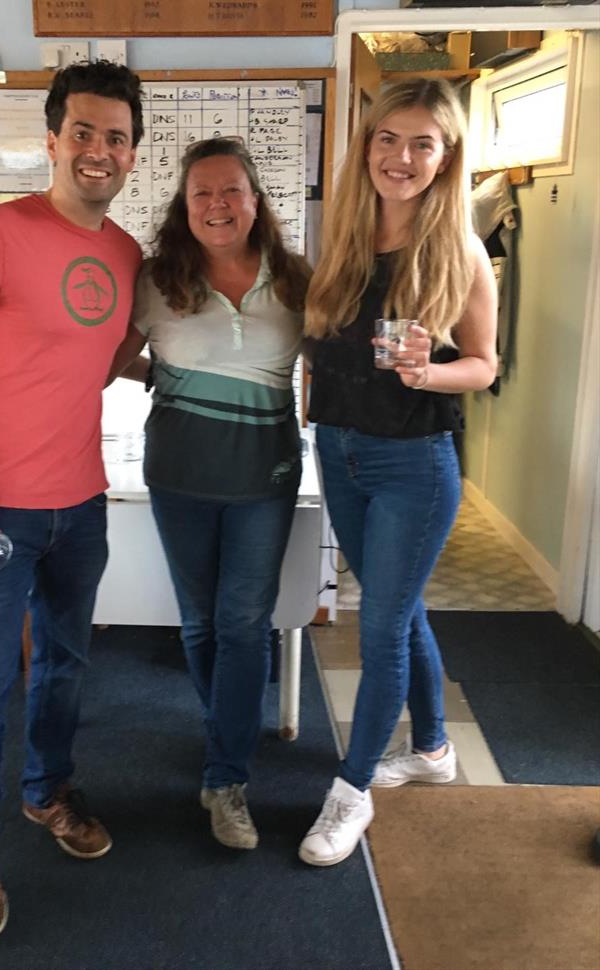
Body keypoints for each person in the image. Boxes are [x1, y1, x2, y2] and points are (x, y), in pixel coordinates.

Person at [0, 61, 144, 940]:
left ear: (131, 153)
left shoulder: (124, 254)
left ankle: (48, 792)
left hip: (81, 503)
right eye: (82, 132)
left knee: (66, 665)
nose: (98, 151)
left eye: (115, 137)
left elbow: (109, 353)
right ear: (52, 141)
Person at [298, 78, 497, 867]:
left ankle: (351, 794)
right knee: (400, 609)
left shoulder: (460, 251)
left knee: (376, 624)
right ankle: (436, 750)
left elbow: (484, 365)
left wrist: (429, 374)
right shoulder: (342, 241)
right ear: (368, 145)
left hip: (414, 462)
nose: (401, 157)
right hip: (339, 451)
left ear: (446, 158)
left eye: (423, 143)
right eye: (388, 139)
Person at [107, 137, 310, 851]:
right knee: (198, 625)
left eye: (232, 191)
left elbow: (340, 365)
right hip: (179, 479)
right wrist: (165, 376)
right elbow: (105, 360)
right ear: (184, 206)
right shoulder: (158, 280)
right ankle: (226, 727)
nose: (218, 204)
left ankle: (226, 775)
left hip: (265, 481)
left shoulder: (295, 280)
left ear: (256, 200)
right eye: (203, 194)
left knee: (245, 625)